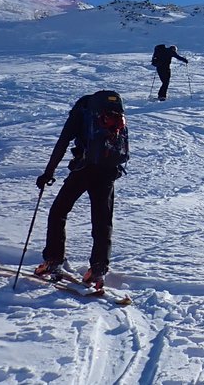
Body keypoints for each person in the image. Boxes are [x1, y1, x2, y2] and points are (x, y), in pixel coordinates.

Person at [34, 90, 129, 291]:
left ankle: (53, 260)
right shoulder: (113, 111)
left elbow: (63, 141)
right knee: (102, 221)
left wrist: (48, 173)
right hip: (108, 172)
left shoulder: (82, 110)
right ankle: (98, 270)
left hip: (84, 170)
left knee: (59, 212)